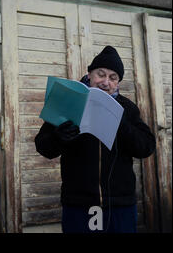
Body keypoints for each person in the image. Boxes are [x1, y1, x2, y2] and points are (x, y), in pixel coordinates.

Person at [35, 45, 156, 233]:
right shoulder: (68, 99)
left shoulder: (128, 108)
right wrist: (58, 137)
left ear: (118, 83)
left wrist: (121, 122)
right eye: (101, 74)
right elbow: (43, 147)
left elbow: (146, 147)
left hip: (119, 204)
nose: (105, 82)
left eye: (113, 78)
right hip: (78, 204)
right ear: (90, 74)